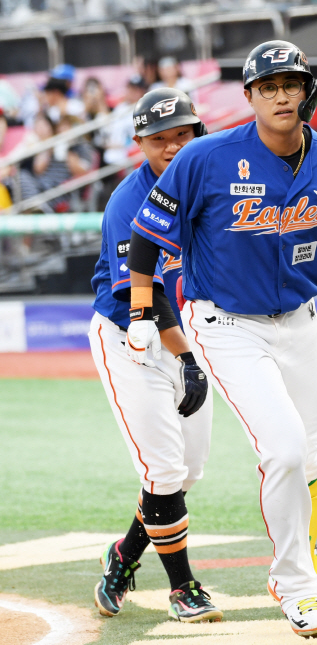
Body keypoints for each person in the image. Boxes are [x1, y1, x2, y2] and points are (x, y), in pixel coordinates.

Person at [124, 40, 317, 639]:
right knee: (281, 449)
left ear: (308, 92)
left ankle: (304, 557)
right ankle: (297, 588)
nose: (281, 95)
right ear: (248, 96)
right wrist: (144, 311)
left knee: (309, 456)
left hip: (300, 321)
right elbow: (146, 236)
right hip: (224, 322)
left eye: (291, 84)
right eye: (268, 86)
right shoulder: (205, 157)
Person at [88, 88, 222, 624]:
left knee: (187, 474)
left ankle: (122, 557)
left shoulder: (212, 185)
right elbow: (145, 295)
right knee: (164, 470)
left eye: (181, 135)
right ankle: (183, 589)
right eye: (158, 139)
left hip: (186, 337)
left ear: (198, 135)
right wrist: (187, 358)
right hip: (131, 337)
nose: (171, 147)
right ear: (140, 142)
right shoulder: (129, 200)